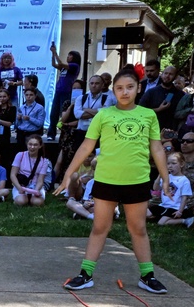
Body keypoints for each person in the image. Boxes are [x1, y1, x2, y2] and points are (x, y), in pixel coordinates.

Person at [56, 68, 171, 294]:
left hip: (137, 181)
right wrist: (68, 173)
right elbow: (86, 146)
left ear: (138, 88)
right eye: (119, 88)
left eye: (130, 87)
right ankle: (85, 274)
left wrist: (165, 178)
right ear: (113, 91)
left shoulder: (148, 115)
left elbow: (156, 148)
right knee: (100, 227)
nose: (125, 92)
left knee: (137, 228)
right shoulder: (104, 114)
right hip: (107, 180)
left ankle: (147, 276)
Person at [148, 153, 192, 226]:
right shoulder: (166, 177)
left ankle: (185, 220)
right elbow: (155, 188)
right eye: (168, 164)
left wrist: (180, 211)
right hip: (164, 205)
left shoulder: (184, 180)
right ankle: (163, 216)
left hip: (175, 208)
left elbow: (184, 198)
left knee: (161, 223)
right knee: (145, 214)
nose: (170, 166)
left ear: (181, 164)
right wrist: (160, 175)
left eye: (174, 163)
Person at [48, 46, 82, 139]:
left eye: (70, 55)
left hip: (66, 92)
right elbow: (54, 64)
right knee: (53, 113)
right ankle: (51, 134)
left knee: (64, 114)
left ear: (74, 57)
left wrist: (55, 52)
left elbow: (60, 63)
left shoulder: (74, 66)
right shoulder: (64, 68)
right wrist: (52, 54)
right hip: (58, 92)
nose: (68, 57)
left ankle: (64, 133)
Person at [139, 65, 182, 131]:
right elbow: (140, 110)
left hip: (170, 131)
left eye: (171, 74)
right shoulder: (151, 92)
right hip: (151, 129)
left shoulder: (180, 94)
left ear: (175, 77)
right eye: (165, 73)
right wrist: (158, 109)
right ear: (161, 74)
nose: (167, 76)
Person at [11, 135, 50, 207]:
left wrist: (36, 190)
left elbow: (40, 180)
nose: (32, 147)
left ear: (40, 146)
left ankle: (31, 198)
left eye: (35, 145)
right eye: (30, 144)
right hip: (21, 185)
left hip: (35, 186)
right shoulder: (20, 155)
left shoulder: (44, 161)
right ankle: (22, 198)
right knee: (21, 202)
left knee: (37, 202)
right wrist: (19, 188)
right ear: (27, 144)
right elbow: (13, 175)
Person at [0, 89, 17, 168]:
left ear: (8, 97)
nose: (2, 98)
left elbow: (9, 123)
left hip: (5, 135)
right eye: (0, 97)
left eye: (4, 96)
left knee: (4, 158)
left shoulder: (12, 108)